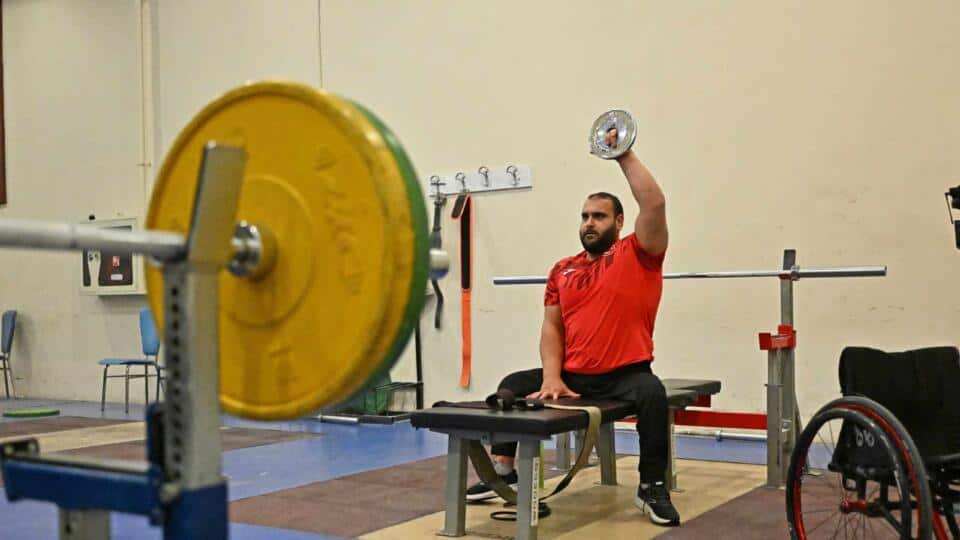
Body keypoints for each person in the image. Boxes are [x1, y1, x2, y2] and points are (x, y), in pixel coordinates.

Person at [465, 145, 678, 526]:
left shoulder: (639, 253)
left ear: (619, 221)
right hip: (575, 375)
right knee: (512, 383)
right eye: (584, 217)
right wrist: (551, 376)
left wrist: (622, 154)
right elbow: (552, 327)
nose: (589, 223)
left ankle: (652, 486)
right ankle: (503, 471)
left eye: (599, 216)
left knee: (653, 394)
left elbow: (655, 205)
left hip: (625, 374)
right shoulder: (562, 270)